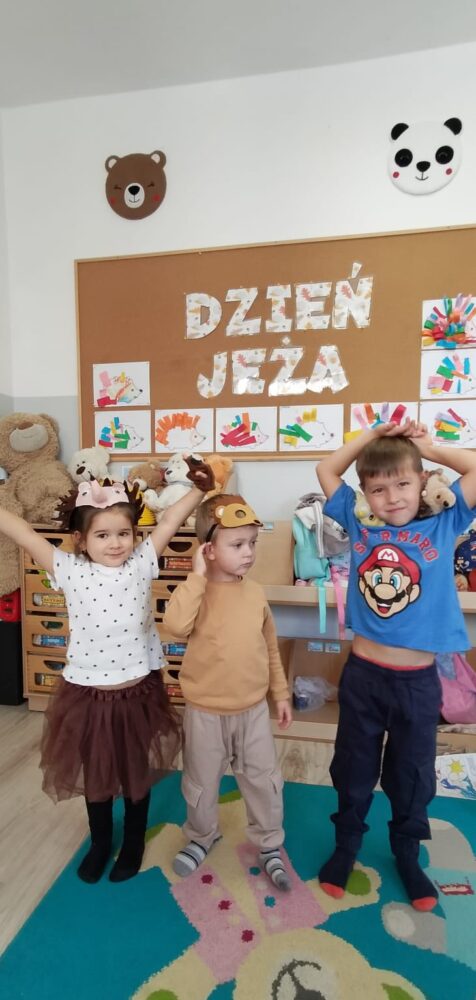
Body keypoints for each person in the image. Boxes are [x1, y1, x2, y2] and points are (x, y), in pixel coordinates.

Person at [0, 462, 214, 884]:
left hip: (138, 693)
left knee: (135, 770)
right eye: (102, 535)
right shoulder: (67, 568)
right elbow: (22, 532)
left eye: (123, 533)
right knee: (96, 771)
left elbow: (171, 520)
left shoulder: (142, 561)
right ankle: (100, 842)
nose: (115, 543)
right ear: (81, 540)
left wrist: (200, 490)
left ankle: (133, 842)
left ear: (135, 535)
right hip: (88, 695)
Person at [316, 420, 476, 911]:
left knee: (411, 775)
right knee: (353, 768)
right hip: (364, 677)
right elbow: (326, 469)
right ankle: (346, 846)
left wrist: (427, 448)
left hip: (418, 683)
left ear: (423, 482)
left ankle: (407, 854)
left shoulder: (444, 522)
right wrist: (370, 437)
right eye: (378, 489)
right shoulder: (361, 523)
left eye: (403, 483)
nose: (392, 497)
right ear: (365, 494)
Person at [163, 493, 293, 890]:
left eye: (252, 543)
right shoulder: (196, 591)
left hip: (252, 710)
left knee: (264, 780)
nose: (249, 552)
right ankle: (202, 836)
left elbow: (270, 647)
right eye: (237, 545)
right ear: (209, 549)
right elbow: (174, 626)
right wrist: (197, 575)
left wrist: (280, 693)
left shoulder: (255, 593)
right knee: (200, 783)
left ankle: (269, 843)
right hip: (204, 711)